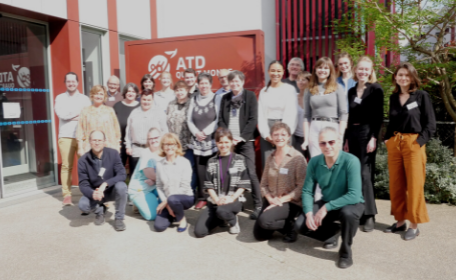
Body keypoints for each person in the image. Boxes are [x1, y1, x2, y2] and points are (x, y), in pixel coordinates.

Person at [296, 127, 364, 269]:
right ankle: (333, 233)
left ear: (339, 142)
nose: (327, 146)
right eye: (323, 143)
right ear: (319, 145)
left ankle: (345, 253)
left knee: (347, 214)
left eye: (331, 142)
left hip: (351, 203)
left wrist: (326, 208)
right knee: (300, 225)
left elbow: (354, 194)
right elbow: (307, 191)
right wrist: (309, 213)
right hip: (328, 201)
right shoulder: (314, 162)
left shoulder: (351, 161)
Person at [383, 62, 436, 240]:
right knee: (396, 185)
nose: (403, 78)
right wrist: (387, 139)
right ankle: (400, 222)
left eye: (407, 75)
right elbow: (392, 122)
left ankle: (414, 225)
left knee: (414, 185)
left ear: (412, 77)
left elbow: (430, 125)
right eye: (400, 75)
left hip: (414, 143)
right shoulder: (393, 97)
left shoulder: (421, 96)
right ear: (395, 77)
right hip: (395, 143)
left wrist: (418, 143)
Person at [344, 56, 384, 232]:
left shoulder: (376, 89)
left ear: (371, 71)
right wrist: (345, 138)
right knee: (354, 174)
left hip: (367, 134)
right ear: (356, 70)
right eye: (360, 69)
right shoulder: (351, 91)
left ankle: (370, 215)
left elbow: (379, 116)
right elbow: (349, 117)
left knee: (365, 173)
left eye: (366, 69)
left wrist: (374, 137)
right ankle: (358, 210)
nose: (363, 72)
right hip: (352, 134)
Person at [218, 70, 262, 219]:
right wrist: (229, 138)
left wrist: (241, 137)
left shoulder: (250, 96)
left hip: (245, 141)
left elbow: (252, 119)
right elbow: (221, 120)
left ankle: (258, 205)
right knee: (232, 173)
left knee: (251, 172)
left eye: (237, 81)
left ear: (242, 82)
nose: (234, 84)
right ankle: (235, 202)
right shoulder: (225, 98)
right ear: (228, 83)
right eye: (232, 81)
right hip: (229, 142)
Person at [254, 122, 307, 243]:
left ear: (289, 136)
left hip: (290, 202)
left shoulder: (297, 158)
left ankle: (291, 228)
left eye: (283, 134)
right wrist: (270, 199)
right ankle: (286, 224)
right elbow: (263, 184)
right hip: (272, 199)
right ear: (271, 137)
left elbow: (301, 187)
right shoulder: (270, 158)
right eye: (276, 134)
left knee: (264, 221)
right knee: (259, 235)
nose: (279, 137)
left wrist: (280, 200)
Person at [194, 128, 251, 237]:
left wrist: (231, 197)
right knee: (199, 232)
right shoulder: (211, 161)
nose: (223, 145)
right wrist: (216, 200)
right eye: (220, 142)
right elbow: (208, 185)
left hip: (233, 200)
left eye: (226, 142)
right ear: (216, 143)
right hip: (216, 201)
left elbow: (244, 183)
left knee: (222, 211)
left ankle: (233, 221)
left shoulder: (239, 159)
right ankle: (222, 218)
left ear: (231, 142)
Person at [78, 130, 128, 231]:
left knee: (122, 186)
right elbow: (83, 184)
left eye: (99, 140)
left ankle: (119, 218)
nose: (97, 143)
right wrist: (93, 193)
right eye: (94, 140)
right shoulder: (83, 160)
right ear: (90, 142)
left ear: (104, 142)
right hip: (95, 193)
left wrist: (106, 184)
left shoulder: (113, 154)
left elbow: (122, 174)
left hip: (111, 190)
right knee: (83, 205)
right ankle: (100, 211)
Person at [54, 72, 91, 205]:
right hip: (66, 136)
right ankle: (67, 195)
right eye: (68, 81)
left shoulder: (85, 99)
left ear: (78, 82)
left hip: (82, 137)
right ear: (65, 83)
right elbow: (61, 114)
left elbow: (87, 115)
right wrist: (78, 114)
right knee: (66, 166)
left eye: (73, 81)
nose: (71, 83)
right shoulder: (60, 98)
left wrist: (71, 115)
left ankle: (86, 192)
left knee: (85, 166)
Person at [187, 73, 223, 209]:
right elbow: (189, 119)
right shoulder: (193, 98)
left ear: (210, 84)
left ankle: (215, 196)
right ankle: (202, 197)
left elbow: (217, 119)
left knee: (213, 169)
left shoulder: (216, 98)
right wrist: (196, 133)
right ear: (198, 85)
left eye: (206, 83)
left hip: (211, 141)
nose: (203, 86)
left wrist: (205, 132)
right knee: (200, 170)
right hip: (197, 141)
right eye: (201, 83)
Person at [302, 57, 348, 158]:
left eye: (326, 68)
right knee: (316, 160)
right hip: (315, 127)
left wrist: (340, 135)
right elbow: (306, 115)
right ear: (315, 69)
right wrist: (306, 139)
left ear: (330, 71)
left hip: (332, 125)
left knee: (332, 160)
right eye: (320, 67)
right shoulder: (308, 89)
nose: (322, 70)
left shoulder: (338, 87)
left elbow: (343, 113)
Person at [258, 60, 298, 167]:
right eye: (273, 71)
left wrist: (283, 135)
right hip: (268, 131)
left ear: (283, 72)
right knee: (268, 166)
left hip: (285, 130)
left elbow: (292, 113)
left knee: (286, 165)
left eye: (278, 71)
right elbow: (260, 115)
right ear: (268, 72)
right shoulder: (264, 91)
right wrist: (266, 135)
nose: (276, 74)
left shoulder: (289, 89)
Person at [154, 133, 194, 232]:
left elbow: (184, 187)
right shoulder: (159, 164)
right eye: (166, 144)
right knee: (159, 226)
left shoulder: (185, 162)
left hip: (185, 197)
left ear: (177, 146)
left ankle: (182, 219)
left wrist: (166, 202)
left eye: (172, 144)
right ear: (162, 147)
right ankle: (174, 214)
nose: (169, 147)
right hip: (168, 201)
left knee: (172, 199)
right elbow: (159, 186)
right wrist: (167, 205)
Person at [125, 89, 168, 174]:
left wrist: (161, 147)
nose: (146, 102)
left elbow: (165, 131)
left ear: (153, 100)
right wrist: (128, 146)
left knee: (154, 177)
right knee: (136, 178)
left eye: (149, 100)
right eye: (144, 99)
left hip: (153, 151)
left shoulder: (159, 112)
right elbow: (128, 131)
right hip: (136, 151)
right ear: (140, 99)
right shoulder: (134, 112)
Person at [166, 80, 196, 192]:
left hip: (188, 144)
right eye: (177, 90)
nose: (179, 92)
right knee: (175, 169)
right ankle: (176, 192)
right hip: (174, 145)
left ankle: (189, 192)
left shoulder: (192, 103)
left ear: (187, 90)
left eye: (182, 90)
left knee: (189, 169)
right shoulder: (171, 104)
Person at [128, 127, 163, 220]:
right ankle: (137, 202)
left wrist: (155, 180)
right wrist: (163, 179)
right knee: (153, 216)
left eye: (156, 137)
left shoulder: (163, 152)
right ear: (148, 141)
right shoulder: (145, 153)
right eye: (151, 139)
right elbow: (149, 174)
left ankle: (151, 202)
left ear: (161, 137)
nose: (154, 140)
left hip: (154, 185)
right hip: (141, 189)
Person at [77, 85, 121, 156]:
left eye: (101, 94)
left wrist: (118, 146)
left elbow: (116, 129)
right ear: (92, 95)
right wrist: (80, 148)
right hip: (90, 148)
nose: (99, 96)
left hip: (108, 147)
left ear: (104, 96)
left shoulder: (110, 111)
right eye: (96, 93)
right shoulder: (85, 111)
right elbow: (80, 131)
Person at [113, 83, 140, 167]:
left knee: (134, 170)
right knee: (118, 168)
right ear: (124, 93)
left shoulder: (140, 107)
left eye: (133, 91)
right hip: (120, 144)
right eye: (128, 91)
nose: (130, 93)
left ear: (136, 93)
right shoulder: (117, 106)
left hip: (135, 144)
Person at [294, 71, 311, 158]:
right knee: (299, 163)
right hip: (297, 137)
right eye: (298, 79)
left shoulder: (313, 97)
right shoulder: (293, 97)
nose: (300, 82)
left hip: (312, 136)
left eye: (303, 80)